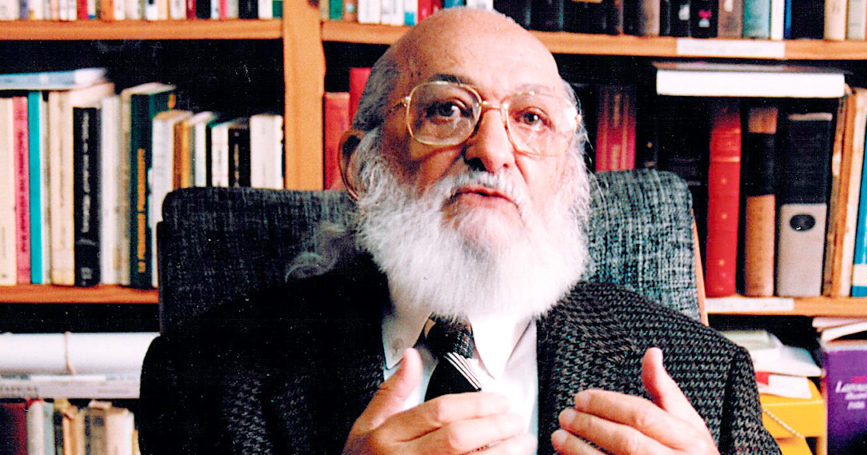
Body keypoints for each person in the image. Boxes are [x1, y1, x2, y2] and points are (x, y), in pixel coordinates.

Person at [138, 8, 779, 455]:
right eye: (447, 109)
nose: (493, 151)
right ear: (361, 165)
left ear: (568, 176)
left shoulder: (706, 375)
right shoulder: (203, 374)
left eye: (531, 118)